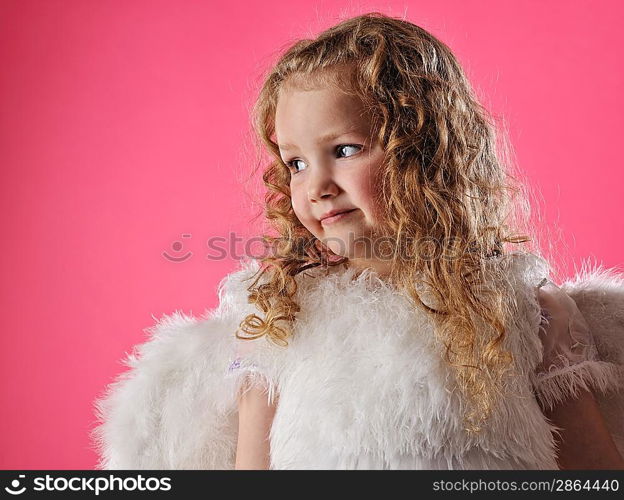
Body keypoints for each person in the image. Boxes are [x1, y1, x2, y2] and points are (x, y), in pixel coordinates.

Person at [91, 12, 624, 470]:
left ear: (424, 151)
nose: (316, 185)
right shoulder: (281, 321)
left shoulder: (527, 311)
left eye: (345, 150)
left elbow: (592, 475)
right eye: (295, 162)